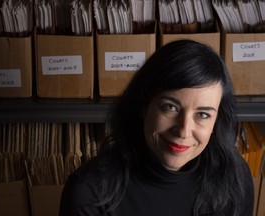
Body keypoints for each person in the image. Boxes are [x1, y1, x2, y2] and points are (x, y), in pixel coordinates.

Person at [59, 40, 254, 216]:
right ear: (144, 105)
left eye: (203, 114)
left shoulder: (235, 177)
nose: (183, 131)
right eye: (170, 107)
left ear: (217, 121)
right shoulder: (89, 192)